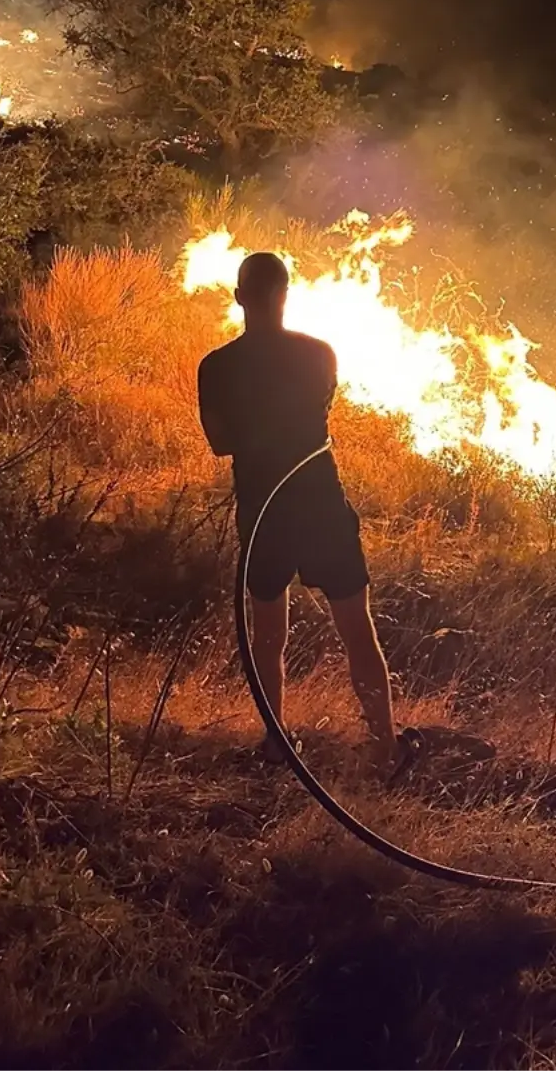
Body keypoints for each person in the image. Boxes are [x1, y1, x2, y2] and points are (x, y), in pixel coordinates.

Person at [197, 251, 409, 771]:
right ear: (285, 295)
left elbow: (219, 443)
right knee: (356, 626)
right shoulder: (320, 354)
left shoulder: (217, 366)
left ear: (240, 297)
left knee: (267, 636)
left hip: (264, 512)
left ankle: (277, 742)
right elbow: (317, 414)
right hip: (320, 508)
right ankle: (385, 746)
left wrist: (256, 431)